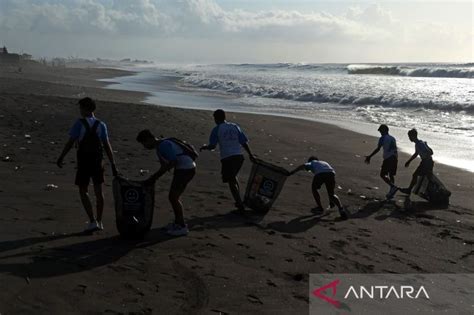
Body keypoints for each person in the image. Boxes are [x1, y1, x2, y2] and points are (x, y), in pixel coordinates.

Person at [57, 97, 117, 232]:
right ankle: (100, 221)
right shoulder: (101, 125)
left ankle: (92, 220)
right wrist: (113, 163)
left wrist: (61, 157)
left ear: (85, 109)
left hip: (84, 161)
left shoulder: (79, 123)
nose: (80, 110)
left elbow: (71, 142)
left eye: (80, 108)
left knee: (83, 190)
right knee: (99, 192)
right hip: (97, 160)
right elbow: (107, 146)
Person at [136, 130, 196, 236]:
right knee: (174, 197)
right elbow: (165, 165)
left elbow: (173, 162)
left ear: (149, 139)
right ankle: (178, 222)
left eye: (144, 143)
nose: (144, 146)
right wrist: (154, 177)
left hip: (185, 169)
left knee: (173, 197)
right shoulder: (161, 145)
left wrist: (154, 177)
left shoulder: (163, 146)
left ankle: (182, 226)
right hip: (185, 168)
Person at [200, 109, 255, 211]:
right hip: (239, 156)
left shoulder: (216, 129)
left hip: (227, 157)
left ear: (216, 118)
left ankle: (239, 204)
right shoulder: (234, 126)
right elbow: (243, 142)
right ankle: (239, 200)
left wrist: (204, 147)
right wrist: (250, 154)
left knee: (231, 181)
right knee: (233, 178)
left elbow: (212, 146)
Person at [364, 124, 398, 199]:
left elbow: (378, 149)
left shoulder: (382, 138)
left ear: (384, 130)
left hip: (388, 158)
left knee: (383, 175)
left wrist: (370, 156)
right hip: (395, 158)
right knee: (391, 174)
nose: (380, 132)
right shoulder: (393, 138)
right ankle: (391, 191)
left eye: (380, 131)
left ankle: (393, 187)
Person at [400, 128, 434, 195]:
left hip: (427, 162)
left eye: (409, 136)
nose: (409, 138)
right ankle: (430, 193)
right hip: (426, 162)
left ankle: (409, 190)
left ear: (413, 136)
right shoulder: (418, 143)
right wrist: (409, 161)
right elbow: (416, 154)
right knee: (426, 177)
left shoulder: (420, 144)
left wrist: (426, 148)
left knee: (418, 176)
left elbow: (430, 152)